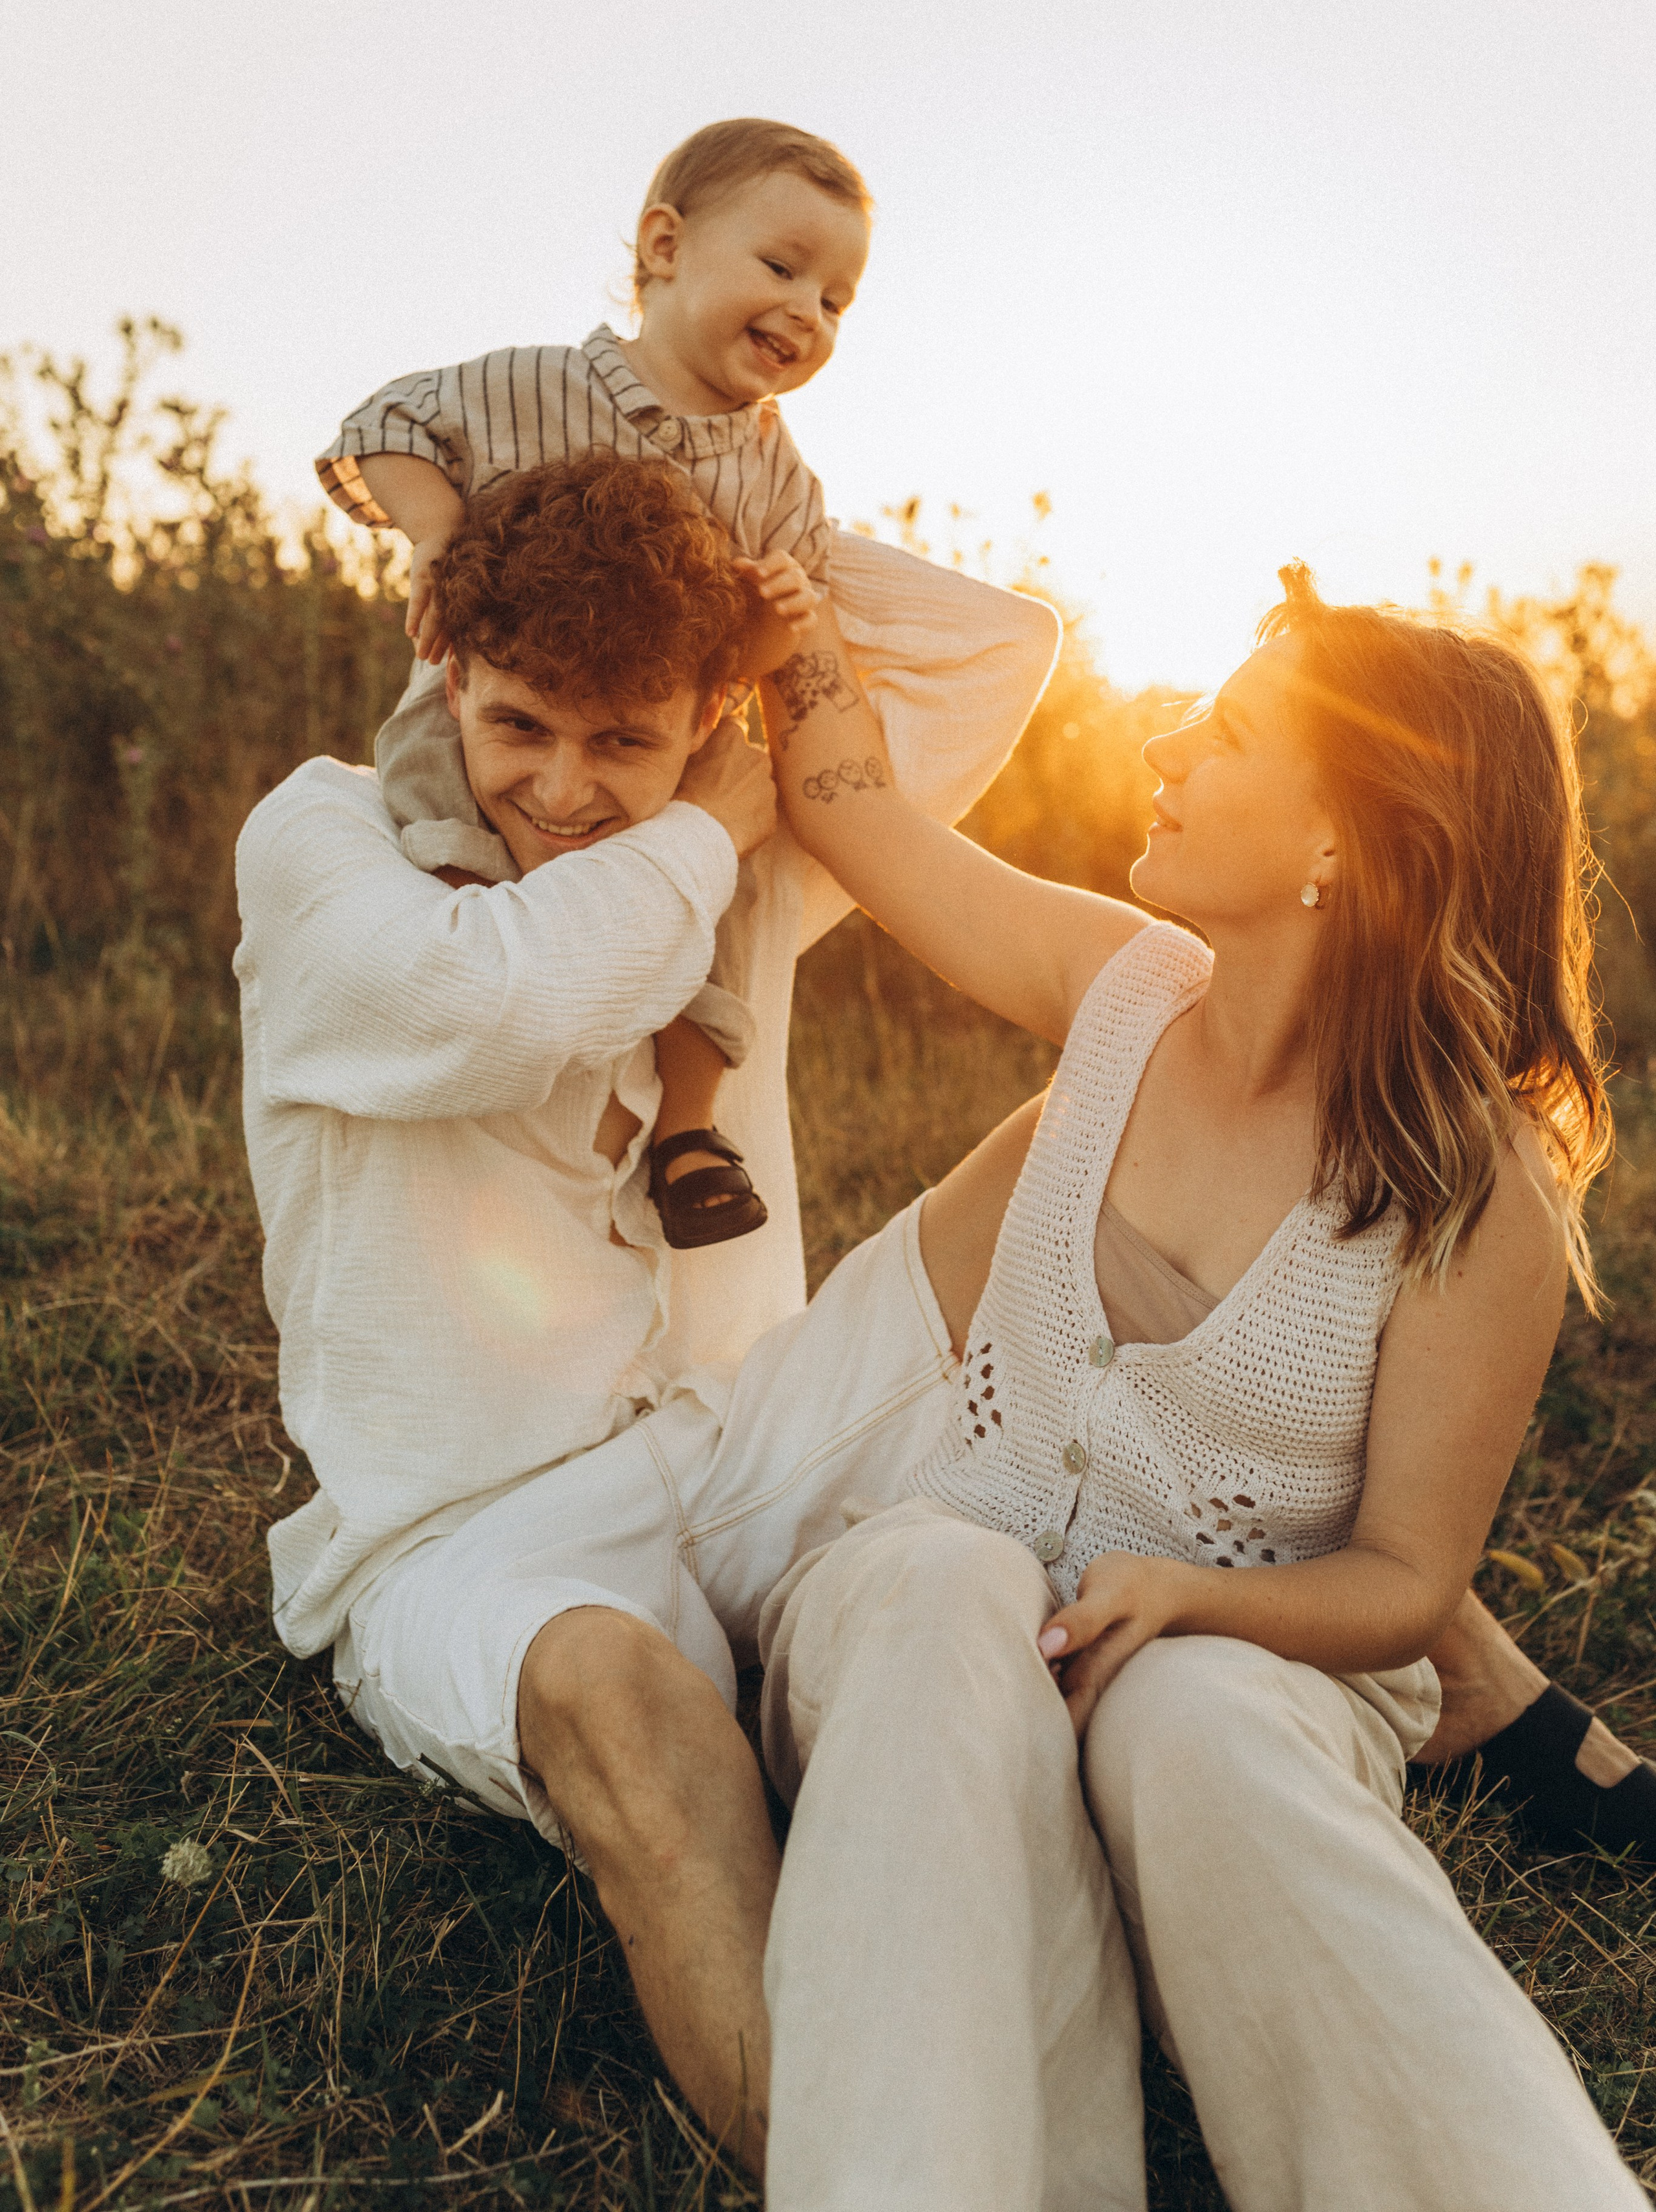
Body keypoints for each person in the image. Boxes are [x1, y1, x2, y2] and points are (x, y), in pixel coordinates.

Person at [730, 567, 1644, 2207]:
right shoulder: (1117, 990)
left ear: (1338, 846)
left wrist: (1191, 1606)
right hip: (936, 1590)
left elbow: (1402, 1585)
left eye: (1220, 733)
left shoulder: (1475, 1190)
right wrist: (786, 610)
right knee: (949, 1585)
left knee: (1198, 1722)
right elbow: (859, 816)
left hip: (1260, 1672)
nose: (1160, 743)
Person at [234, 449, 1061, 2172]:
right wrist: (711, 815)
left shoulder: (732, 865)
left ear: (701, 714)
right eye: (523, 723)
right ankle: (879, 2179)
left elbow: (994, 649)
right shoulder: (324, 843)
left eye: (627, 738)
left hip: (732, 1438)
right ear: (443, 665)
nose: (567, 790)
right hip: (460, 1537)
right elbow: (490, 1002)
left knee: (1096, 1105)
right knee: (628, 1702)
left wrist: (752, 551)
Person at [314, 117, 875, 1247]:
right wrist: (432, 532)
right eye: (783, 268)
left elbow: (760, 658)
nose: (809, 313)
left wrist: (770, 631)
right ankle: (485, 970)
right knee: (427, 772)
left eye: (837, 299)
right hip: (496, 706)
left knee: (732, 878)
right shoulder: (537, 385)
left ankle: (690, 1129)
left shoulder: (778, 481)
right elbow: (380, 427)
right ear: (664, 246)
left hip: (663, 742)